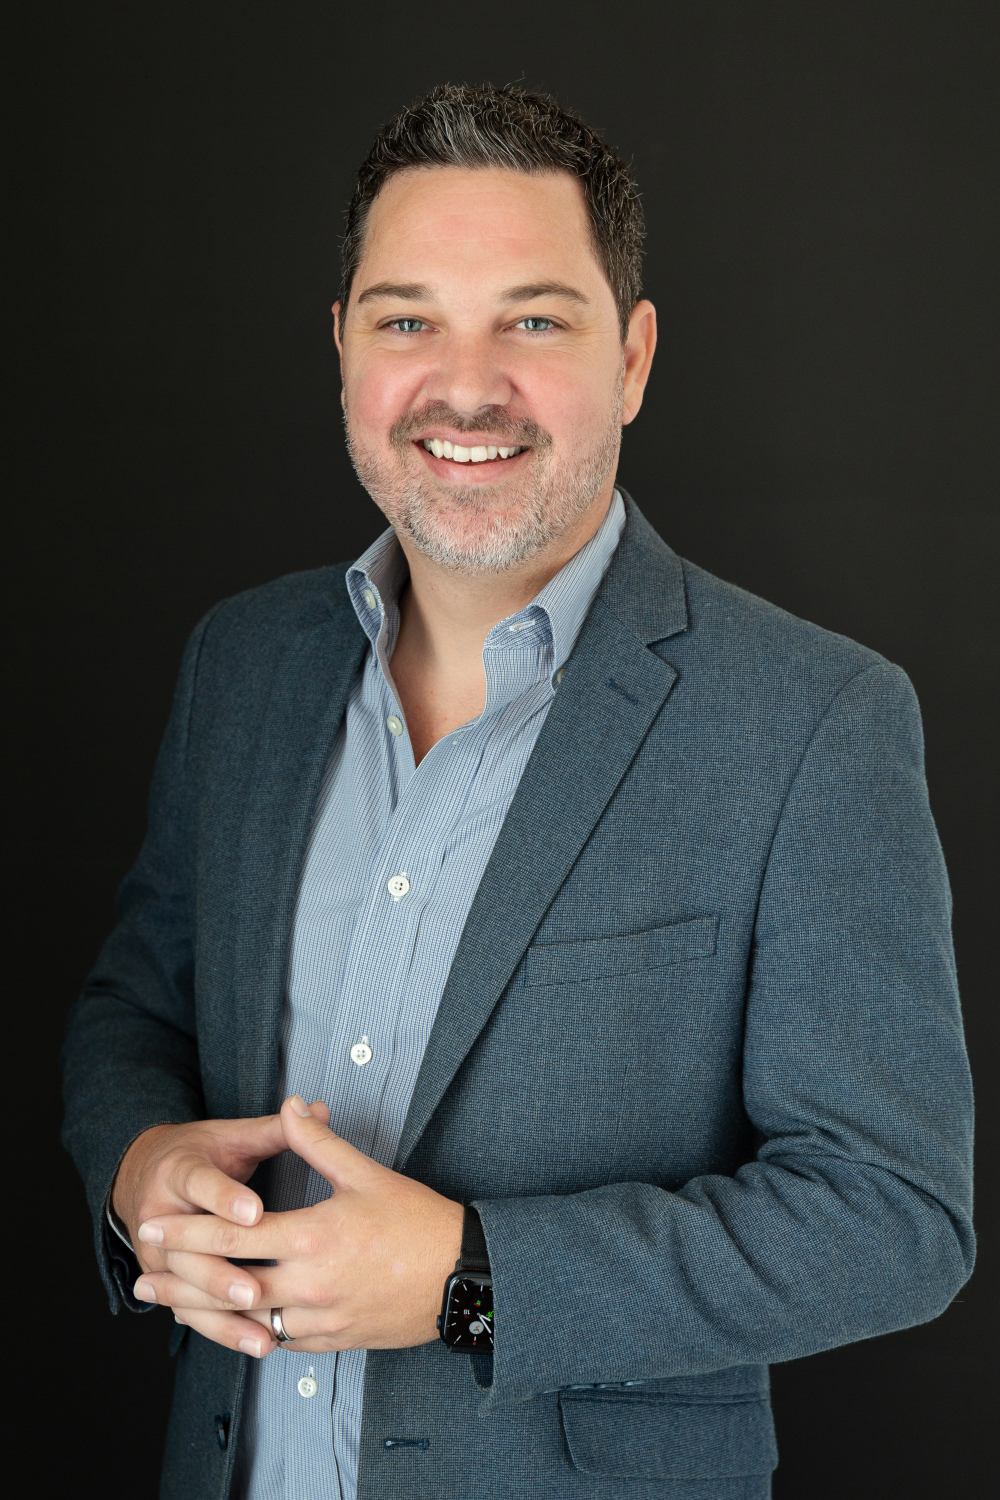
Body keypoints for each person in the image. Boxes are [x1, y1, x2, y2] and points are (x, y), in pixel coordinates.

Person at [61, 83, 974, 1500]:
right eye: (406, 319)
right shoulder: (240, 668)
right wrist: (137, 1171)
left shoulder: (817, 722)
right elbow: (135, 1008)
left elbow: (894, 1218)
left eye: (534, 320)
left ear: (636, 359)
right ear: (344, 351)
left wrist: (470, 1284)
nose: (465, 382)